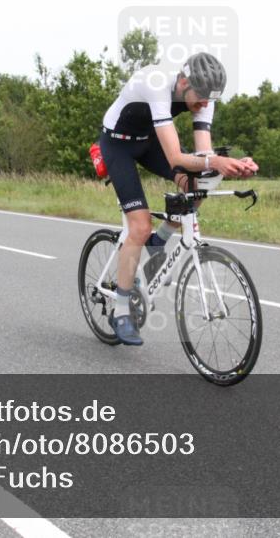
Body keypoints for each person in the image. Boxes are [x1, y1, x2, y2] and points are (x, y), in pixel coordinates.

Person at [98, 52, 259, 345]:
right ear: (184, 82)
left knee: (198, 185)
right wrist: (215, 161)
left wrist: (235, 165)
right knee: (139, 227)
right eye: (201, 99)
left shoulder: (204, 97)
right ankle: (120, 311)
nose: (205, 105)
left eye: (211, 100)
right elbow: (175, 158)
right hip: (117, 145)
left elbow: (203, 156)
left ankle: (158, 241)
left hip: (149, 143)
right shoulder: (157, 84)